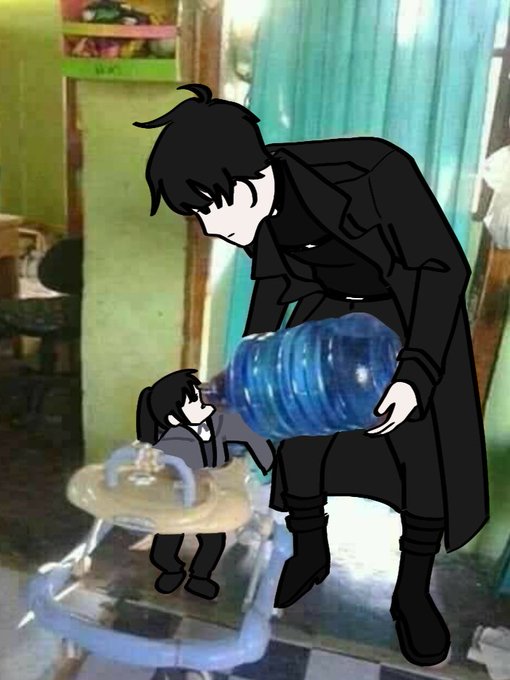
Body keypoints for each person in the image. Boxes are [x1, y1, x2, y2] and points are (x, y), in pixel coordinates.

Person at [133, 85, 489, 666]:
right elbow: (274, 285)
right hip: (331, 313)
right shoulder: (253, 210)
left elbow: (439, 267)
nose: (209, 228)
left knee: (419, 460)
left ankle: (411, 594)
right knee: (297, 438)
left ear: (249, 184)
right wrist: (249, 365)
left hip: (414, 316)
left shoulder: (373, 172)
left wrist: (417, 370)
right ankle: (309, 554)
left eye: (209, 210)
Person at [136, 368, 275, 600]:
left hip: (217, 486)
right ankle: (171, 569)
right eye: (194, 400)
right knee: (166, 540)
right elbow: (155, 463)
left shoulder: (219, 422)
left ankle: (200, 577)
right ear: (173, 419)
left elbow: (251, 437)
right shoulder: (170, 440)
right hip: (180, 489)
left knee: (213, 539)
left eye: (199, 394)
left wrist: (268, 466)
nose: (202, 401)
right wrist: (147, 460)